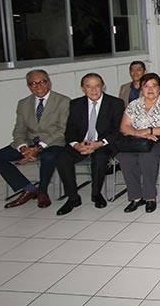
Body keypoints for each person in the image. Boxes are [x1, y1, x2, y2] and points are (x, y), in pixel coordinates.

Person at [0, 69, 70, 209]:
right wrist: (24, 148)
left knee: (48, 156)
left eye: (42, 82)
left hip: (53, 142)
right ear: (29, 87)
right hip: (30, 142)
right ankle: (30, 189)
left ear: (49, 82)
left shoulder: (63, 101)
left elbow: (62, 130)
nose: (38, 86)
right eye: (33, 83)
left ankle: (43, 192)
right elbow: (19, 129)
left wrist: (37, 148)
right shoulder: (23, 103)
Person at [55, 73, 125, 215]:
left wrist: (99, 144)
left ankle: (96, 194)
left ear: (103, 87)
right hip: (82, 142)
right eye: (89, 86)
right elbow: (70, 130)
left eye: (97, 86)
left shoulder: (115, 103)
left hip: (104, 143)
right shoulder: (75, 104)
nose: (94, 90)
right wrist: (76, 145)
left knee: (99, 158)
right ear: (82, 88)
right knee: (62, 158)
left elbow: (118, 130)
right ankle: (73, 198)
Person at [118, 73, 160, 213]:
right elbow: (124, 127)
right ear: (141, 88)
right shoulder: (134, 105)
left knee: (148, 157)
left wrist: (151, 131)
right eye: (146, 86)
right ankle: (136, 197)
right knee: (125, 157)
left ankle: (150, 197)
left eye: (154, 86)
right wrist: (140, 133)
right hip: (137, 140)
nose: (150, 89)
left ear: (159, 88)